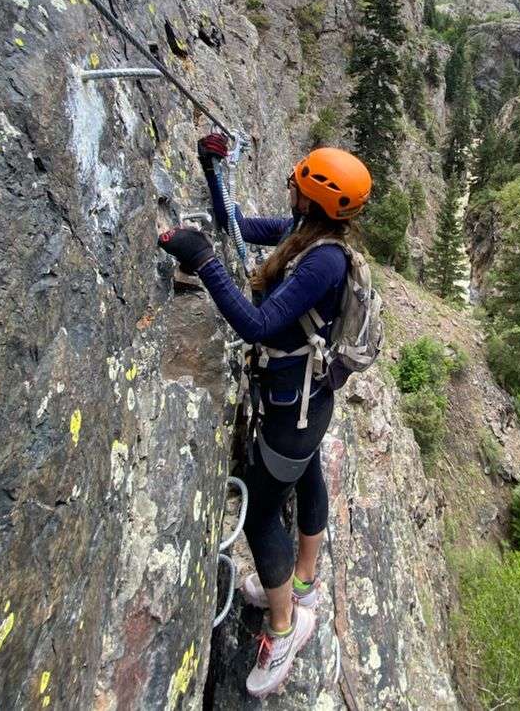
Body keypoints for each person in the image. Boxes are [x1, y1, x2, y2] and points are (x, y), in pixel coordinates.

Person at [157, 136, 372, 700]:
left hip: (291, 414)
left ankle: (285, 627)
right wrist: (213, 170)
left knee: (260, 513)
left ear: (314, 198)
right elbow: (236, 223)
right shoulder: (308, 236)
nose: (291, 187)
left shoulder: (321, 261)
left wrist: (203, 261)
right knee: (307, 473)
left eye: (299, 184)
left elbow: (256, 323)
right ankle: (304, 581)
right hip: (307, 406)